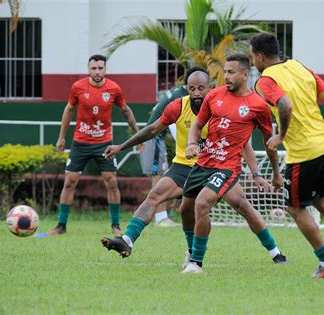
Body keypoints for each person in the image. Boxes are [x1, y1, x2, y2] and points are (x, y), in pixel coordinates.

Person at [101, 67, 287, 267]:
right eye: (192, 88)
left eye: (201, 88)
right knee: (158, 197)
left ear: (210, 88)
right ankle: (128, 240)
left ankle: (275, 252)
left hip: (217, 167)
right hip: (184, 167)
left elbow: (244, 145)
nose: (196, 93)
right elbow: (153, 129)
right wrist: (122, 146)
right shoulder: (178, 107)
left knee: (242, 206)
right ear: (186, 89)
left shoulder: (221, 106)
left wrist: (256, 173)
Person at [249, 32, 324, 279]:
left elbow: (285, 105)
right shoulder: (299, 66)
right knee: (322, 201)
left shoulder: (265, 81)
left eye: (252, 57)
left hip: (304, 153)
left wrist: (281, 135)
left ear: (259, 56)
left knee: (295, 208)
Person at [181, 54, 284, 274]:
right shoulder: (214, 95)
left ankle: (195, 262)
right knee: (191, 209)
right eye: (225, 71)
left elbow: (269, 144)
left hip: (227, 167)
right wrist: (192, 143)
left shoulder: (258, 105)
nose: (226, 76)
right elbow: (197, 126)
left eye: (231, 72)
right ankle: (275, 252)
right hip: (203, 163)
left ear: (245, 74)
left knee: (202, 204)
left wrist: (272, 173)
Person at [35, 54, 141, 237]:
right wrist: (61, 137)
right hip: (80, 143)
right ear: (88, 69)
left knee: (112, 182)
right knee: (69, 182)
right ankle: (61, 226)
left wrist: (137, 134)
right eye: (94, 68)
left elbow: (125, 110)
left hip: (104, 143)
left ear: (105, 69)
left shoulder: (114, 88)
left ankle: (116, 226)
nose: (97, 71)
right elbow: (68, 110)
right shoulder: (78, 87)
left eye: (101, 68)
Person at [139, 81, 189, 227]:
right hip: (153, 137)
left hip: (156, 137)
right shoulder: (180, 97)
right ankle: (160, 218)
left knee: (162, 174)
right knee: (159, 175)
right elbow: (175, 124)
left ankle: (162, 217)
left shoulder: (178, 92)